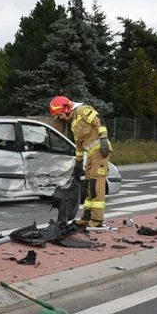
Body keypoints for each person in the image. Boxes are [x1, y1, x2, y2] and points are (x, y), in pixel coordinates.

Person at [48, 95, 112, 227]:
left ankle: (97, 220)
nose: (60, 118)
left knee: (96, 185)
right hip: (91, 155)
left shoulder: (83, 110)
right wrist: (78, 161)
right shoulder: (74, 123)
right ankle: (86, 217)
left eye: (60, 114)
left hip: (101, 151)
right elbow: (79, 145)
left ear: (66, 109)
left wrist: (104, 138)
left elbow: (99, 121)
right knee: (88, 185)